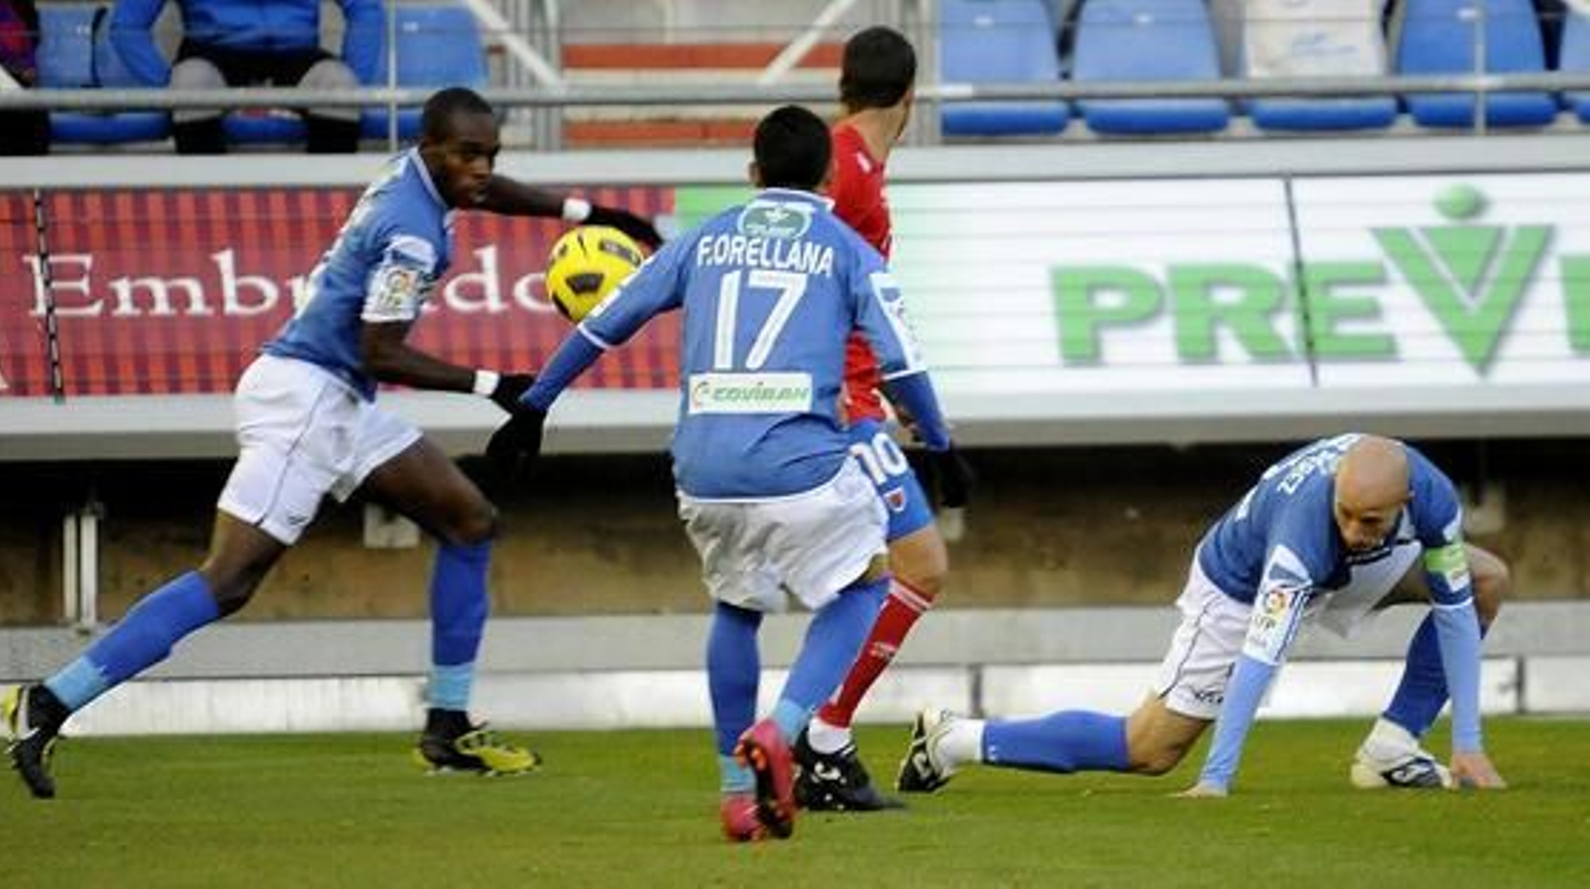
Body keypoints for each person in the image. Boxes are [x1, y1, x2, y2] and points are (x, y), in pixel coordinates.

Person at [0, 87, 663, 800]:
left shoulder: (414, 172)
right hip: (308, 400)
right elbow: (382, 352)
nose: (480, 170)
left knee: (469, 521)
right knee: (228, 579)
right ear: (433, 147)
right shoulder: (411, 231)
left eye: (489, 155)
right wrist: (496, 383)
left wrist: (587, 213)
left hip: (337, 396)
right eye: (468, 155)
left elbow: (484, 191)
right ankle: (49, 701)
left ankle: (446, 724)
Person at [484, 105, 972, 841]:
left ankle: (736, 794)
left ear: (751, 175)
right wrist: (939, 441)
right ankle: (783, 728)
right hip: (800, 464)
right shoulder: (848, 250)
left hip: (704, 470)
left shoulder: (702, 241)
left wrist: (535, 405)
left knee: (736, 609)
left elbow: (607, 320)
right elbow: (901, 361)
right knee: (867, 585)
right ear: (830, 176)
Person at [898, 433, 1509, 797]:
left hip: (1346, 572)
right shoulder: (1305, 534)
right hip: (1239, 591)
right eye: (1344, 513)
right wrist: (1218, 777)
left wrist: (1469, 744)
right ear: (1335, 494)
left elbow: (1455, 611)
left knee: (1483, 579)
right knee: (1150, 749)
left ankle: (1393, 748)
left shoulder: (1431, 497)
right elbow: (1260, 654)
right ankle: (958, 739)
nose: (1353, 527)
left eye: (1368, 520)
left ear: (1404, 503)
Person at [792, 25, 963, 813]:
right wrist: (828, 385)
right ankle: (820, 735)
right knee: (921, 564)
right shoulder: (845, 169)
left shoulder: (859, 166)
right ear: (910, 95)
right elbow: (796, 269)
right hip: (837, 406)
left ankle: (812, 738)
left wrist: (897, 400)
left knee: (867, 579)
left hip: (862, 398)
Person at [110, 0, 383, 154]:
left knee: (339, 84)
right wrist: (166, 87)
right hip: (214, 50)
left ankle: (332, 213)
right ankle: (207, 207)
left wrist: (356, 82)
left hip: (295, 49)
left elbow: (365, 8)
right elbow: (127, 24)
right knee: (189, 83)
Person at [0, 0, 49, 155]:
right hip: (2, 81)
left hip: (17, 83)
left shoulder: (21, 5)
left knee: (33, 113)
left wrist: (24, 68)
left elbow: (32, 37)